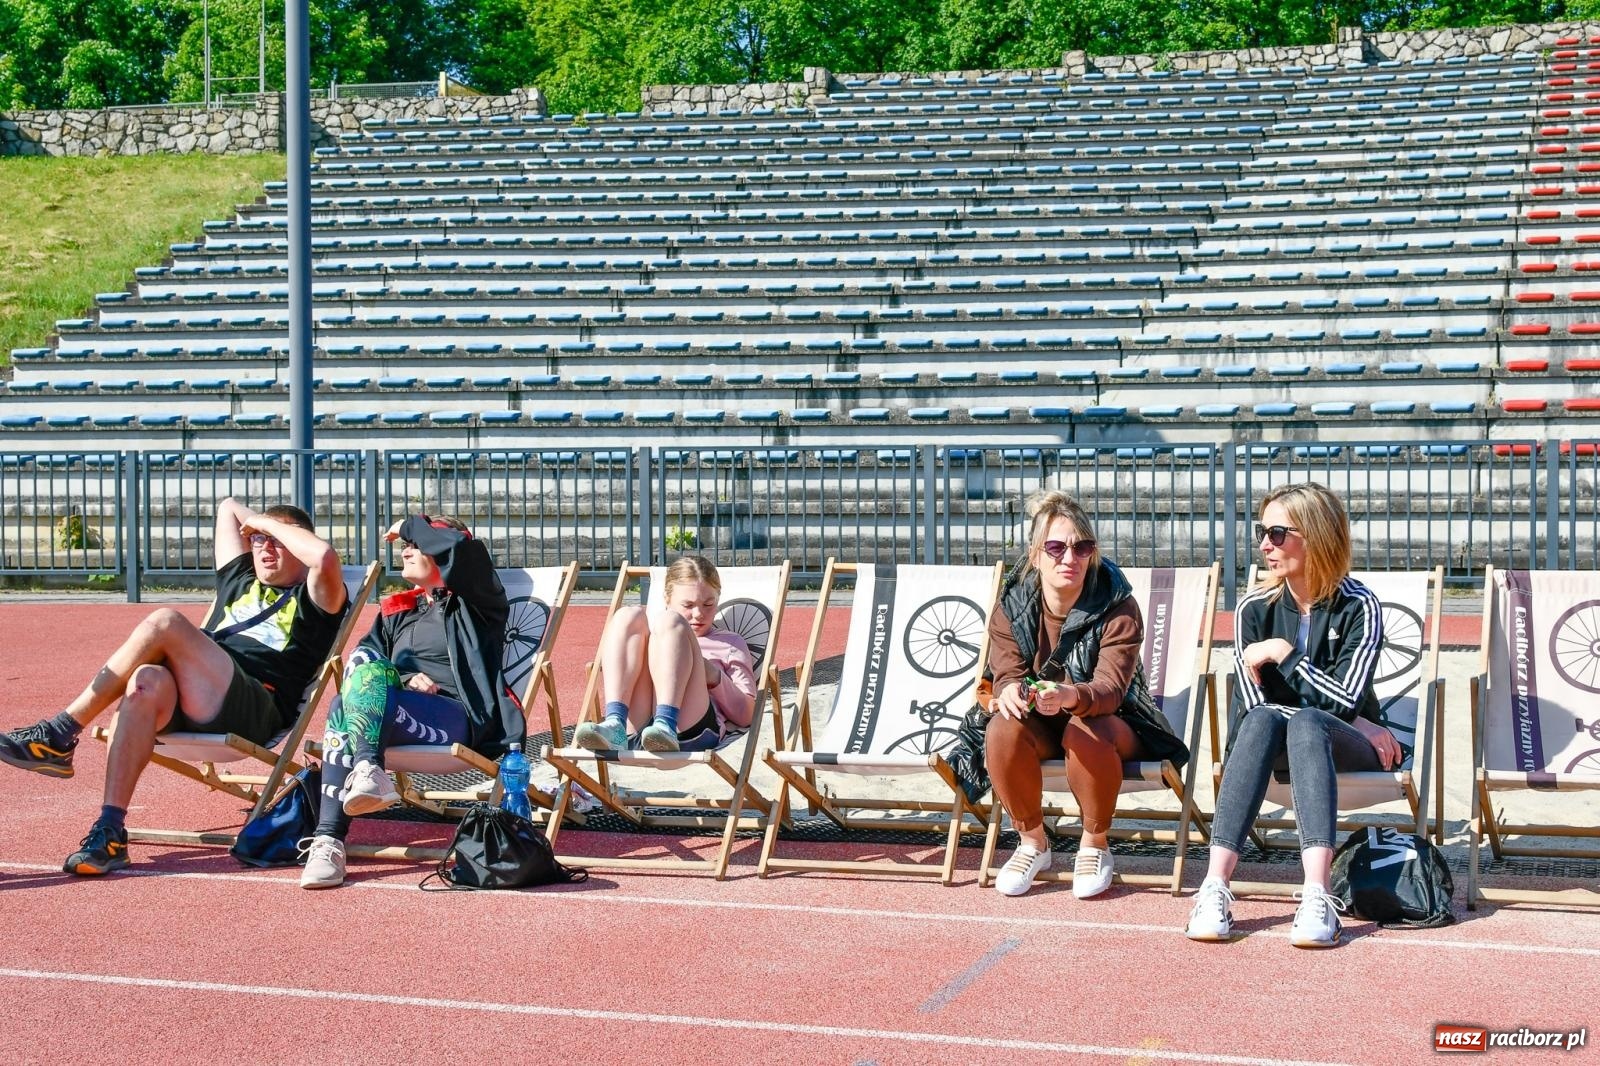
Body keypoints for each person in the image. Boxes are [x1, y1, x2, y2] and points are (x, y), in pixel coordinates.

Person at [0, 497, 348, 876]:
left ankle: (61, 732)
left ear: (298, 542)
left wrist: (274, 527)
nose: (265, 548)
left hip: (255, 704)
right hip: (198, 692)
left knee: (165, 620)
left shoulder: (317, 596)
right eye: (259, 540)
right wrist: (264, 526)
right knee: (144, 682)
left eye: (277, 541)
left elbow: (325, 557)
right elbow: (228, 506)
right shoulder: (239, 579)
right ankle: (110, 831)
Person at [1185, 482, 1394, 948]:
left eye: (1278, 534)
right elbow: (1254, 707)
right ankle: (1214, 886)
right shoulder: (1252, 608)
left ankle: (1317, 895)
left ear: (1316, 536)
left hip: (1345, 749)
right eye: (1263, 533)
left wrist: (1284, 653)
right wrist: (1352, 713)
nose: (1264, 545)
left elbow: (1343, 702)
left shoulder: (1360, 605)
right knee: (1269, 721)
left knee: (1307, 722)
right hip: (1271, 747)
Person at [982, 491, 1188, 899]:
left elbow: (1111, 689)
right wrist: (1008, 692)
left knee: (1084, 729)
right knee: (1002, 728)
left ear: (1093, 553)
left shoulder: (1118, 605)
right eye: (1056, 547)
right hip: (1042, 723)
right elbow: (1006, 671)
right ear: (1035, 554)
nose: (1068, 558)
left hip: (1118, 723)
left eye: (1082, 547)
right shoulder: (1011, 605)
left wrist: (1069, 694)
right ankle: (1032, 843)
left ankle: (1095, 843)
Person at [300, 513, 521, 889]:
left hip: (455, 717)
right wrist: (401, 677)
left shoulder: (479, 601)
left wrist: (407, 524)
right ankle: (331, 838)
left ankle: (337, 826)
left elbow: (463, 551)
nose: (405, 550)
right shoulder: (397, 611)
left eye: (416, 545)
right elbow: (362, 660)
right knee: (349, 695)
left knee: (345, 706)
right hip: (391, 715)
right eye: (405, 545)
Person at [572, 555, 757, 755]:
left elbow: (747, 715)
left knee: (672, 622)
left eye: (708, 604)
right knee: (628, 615)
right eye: (688, 605)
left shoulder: (729, 642)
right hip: (637, 731)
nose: (698, 614)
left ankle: (665, 723)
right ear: (667, 599)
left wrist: (713, 676)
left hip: (690, 731)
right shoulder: (646, 634)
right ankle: (615, 723)